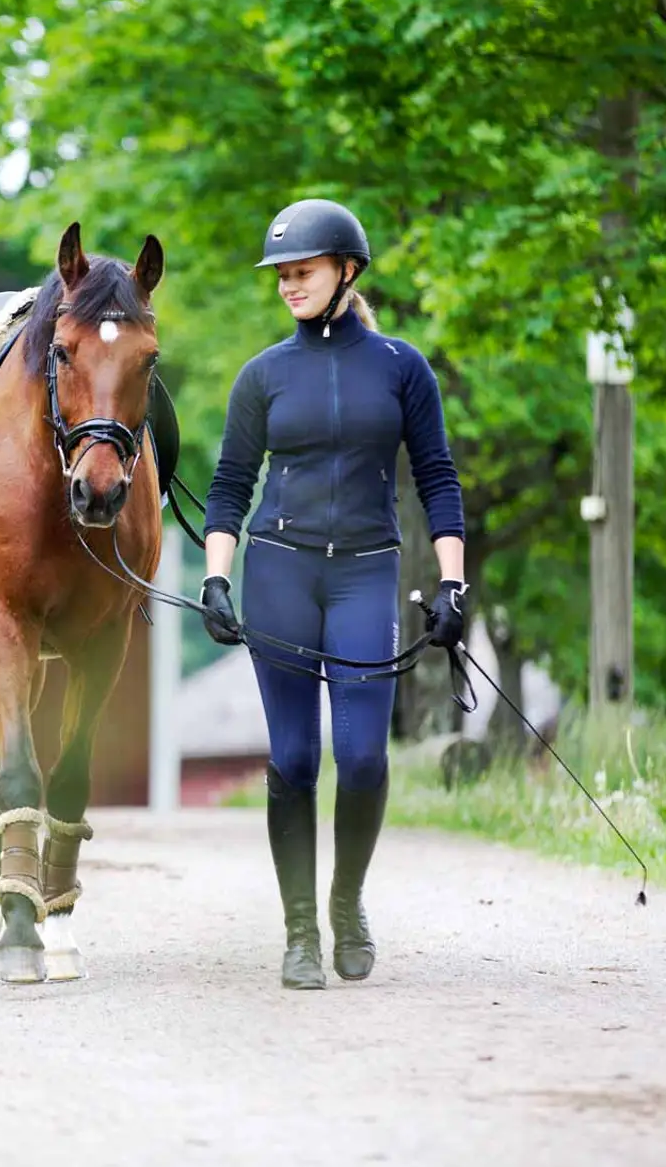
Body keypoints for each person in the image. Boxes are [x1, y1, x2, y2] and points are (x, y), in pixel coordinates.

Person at [198, 198, 468, 990]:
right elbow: (228, 487)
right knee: (293, 757)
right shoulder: (262, 376)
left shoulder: (401, 367)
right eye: (281, 274)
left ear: (345, 270)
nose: (288, 285)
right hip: (278, 569)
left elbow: (438, 478)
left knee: (360, 756)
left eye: (302, 271)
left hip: (364, 571)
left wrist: (453, 583)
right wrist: (217, 577)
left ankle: (346, 901)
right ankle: (298, 932)